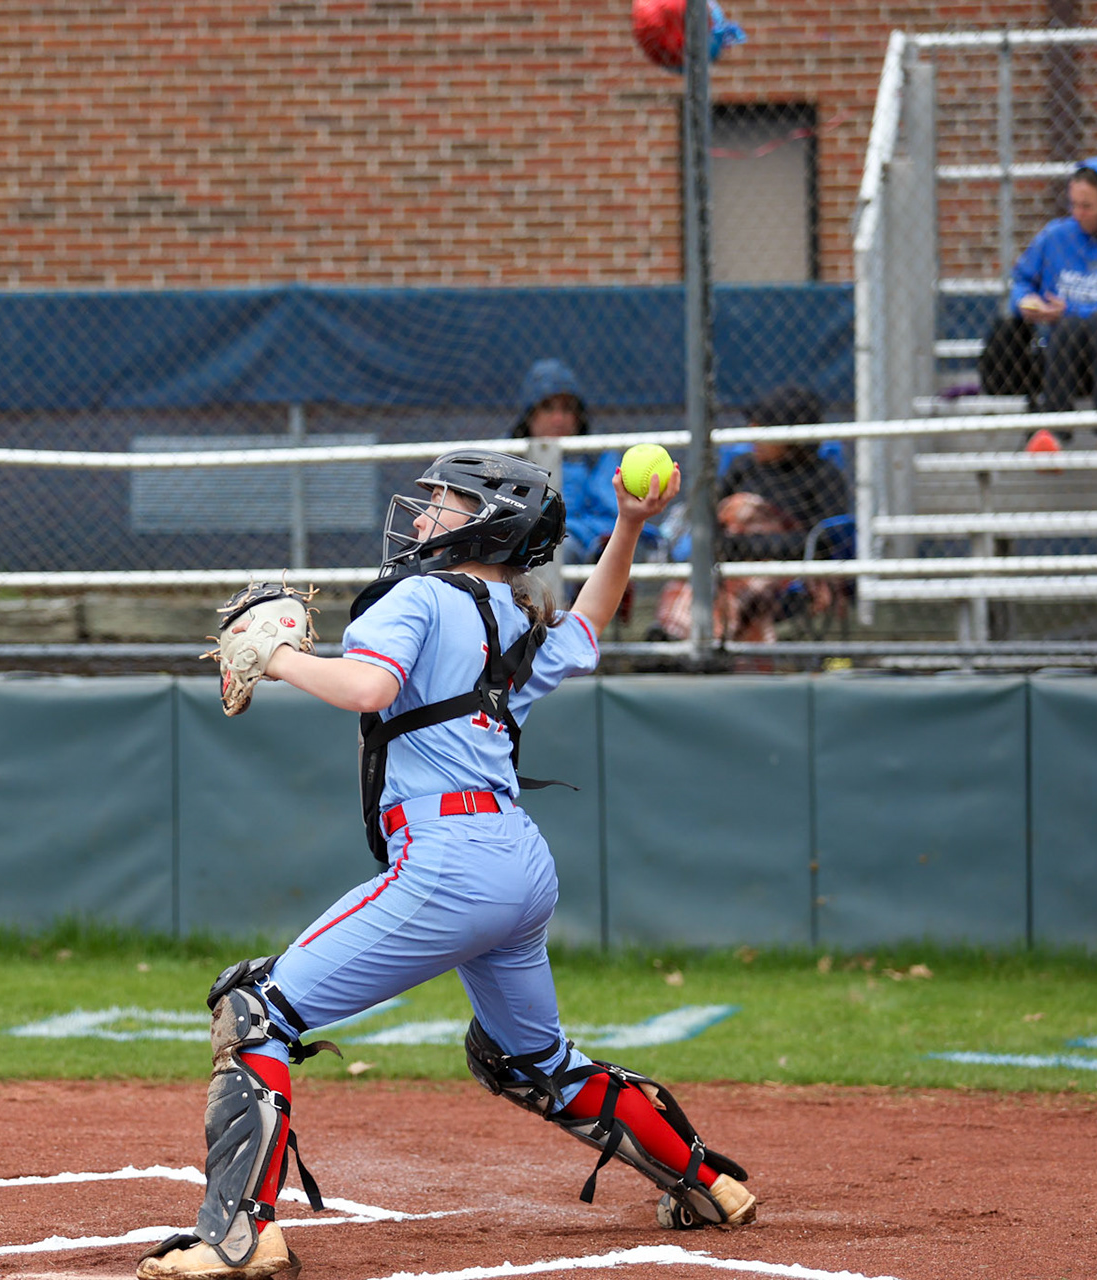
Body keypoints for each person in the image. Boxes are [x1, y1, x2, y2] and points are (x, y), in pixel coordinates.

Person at [139, 451, 758, 1280]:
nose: (423, 515)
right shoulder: (511, 615)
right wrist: (633, 525)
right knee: (529, 1058)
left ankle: (238, 1235)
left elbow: (366, 688)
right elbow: (593, 619)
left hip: (449, 865)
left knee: (255, 1008)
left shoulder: (418, 596)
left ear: (489, 520)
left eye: (443, 502)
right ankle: (705, 1181)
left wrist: (273, 657)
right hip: (519, 864)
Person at [977, 152, 1097, 453]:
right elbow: (1022, 279)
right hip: (1070, 360)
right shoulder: (1057, 236)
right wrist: (1025, 301)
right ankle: (1053, 433)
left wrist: (1074, 310)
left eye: (1087, 206)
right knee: (1068, 327)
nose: (1077, 213)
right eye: (1073, 204)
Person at [655, 386, 850, 644]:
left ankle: (698, 642)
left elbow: (825, 539)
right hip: (730, 560)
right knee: (704, 572)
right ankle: (675, 637)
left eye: (764, 428)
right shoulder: (744, 467)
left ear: (791, 434)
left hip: (786, 568)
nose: (753, 435)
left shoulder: (822, 475)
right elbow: (711, 516)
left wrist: (746, 545)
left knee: (741, 562)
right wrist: (721, 544)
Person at [510, 357, 623, 561]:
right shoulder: (505, 454)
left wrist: (554, 531)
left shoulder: (596, 456)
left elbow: (614, 520)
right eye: (547, 407)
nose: (558, 419)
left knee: (560, 549)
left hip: (574, 552)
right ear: (530, 414)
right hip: (512, 547)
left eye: (567, 408)